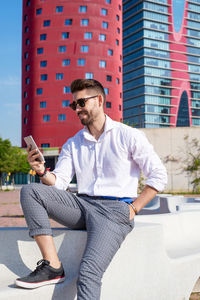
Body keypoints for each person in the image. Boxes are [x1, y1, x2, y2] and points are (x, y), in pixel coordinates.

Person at [15, 79, 167, 299]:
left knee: (88, 273)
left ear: (99, 100)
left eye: (81, 103)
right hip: (82, 205)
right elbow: (60, 183)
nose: (77, 109)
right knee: (30, 192)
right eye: (73, 105)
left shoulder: (128, 136)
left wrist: (133, 209)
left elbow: (159, 175)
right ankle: (52, 266)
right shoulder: (73, 143)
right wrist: (41, 171)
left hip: (115, 211)